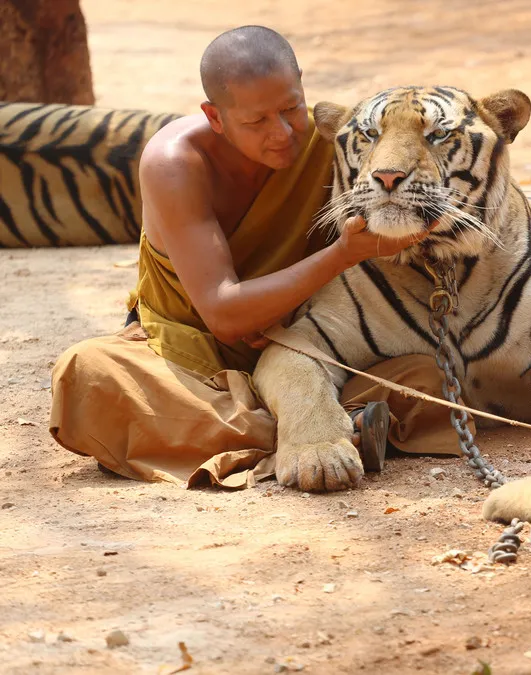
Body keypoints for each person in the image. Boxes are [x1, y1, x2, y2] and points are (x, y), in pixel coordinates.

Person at [48, 26, 461, 489]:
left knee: (428, 375)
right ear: (215, 116)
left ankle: (288, 423)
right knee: (87, 375)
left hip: (304, 344)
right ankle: (325, 427)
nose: (283, 134)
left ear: (302, 84)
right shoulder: (175, 162)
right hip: (192, 356)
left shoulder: (334, 138)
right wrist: (343, 254)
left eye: (291, 109)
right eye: (256, 122)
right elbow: (225, 315)